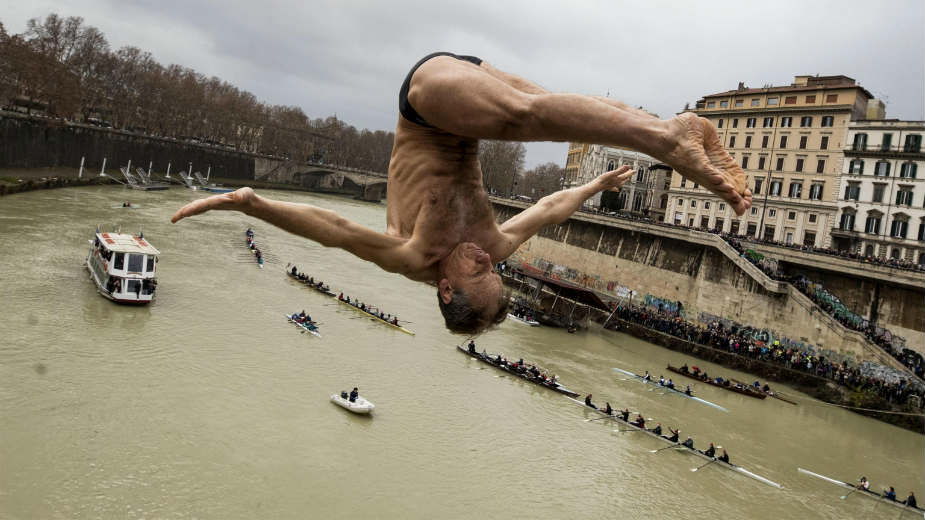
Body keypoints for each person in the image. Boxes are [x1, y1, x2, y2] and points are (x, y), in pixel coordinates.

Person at [171, 52, 750, 335]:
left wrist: (253, 203)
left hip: (426, 102)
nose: (483, 256)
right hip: (472, 105)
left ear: (444, 287)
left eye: (477, 269)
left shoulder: (412, 255)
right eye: (491, 268)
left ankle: (666, 137)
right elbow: (547, 210)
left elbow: (336, 231)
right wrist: (596, 184)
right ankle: (677, 125)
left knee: (527, 116)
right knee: (563, 111)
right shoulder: (494, 251)